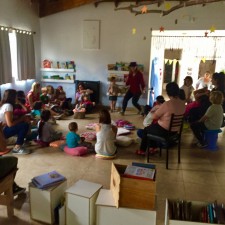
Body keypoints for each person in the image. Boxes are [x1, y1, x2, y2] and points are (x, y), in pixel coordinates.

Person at [136, 82, 185, 155]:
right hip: (175, 132)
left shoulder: (167, 104)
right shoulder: (182, 103)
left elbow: (154, 117)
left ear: (167, 92)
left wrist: (156, 109)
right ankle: (153, 148)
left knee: (146, 130)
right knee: (152, 128)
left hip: (164, 131)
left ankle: (142, 150)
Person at [0, 89, 30, 154]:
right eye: (16, 96)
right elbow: (10, 124)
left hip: (2, 130)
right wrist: (22, 119)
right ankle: (17, 147)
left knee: (22, 123)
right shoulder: (8, 106)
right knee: (24, 125)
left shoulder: (3, 104)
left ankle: (21, 142)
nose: (17, 98)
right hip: (2, 132)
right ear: (13, 97)